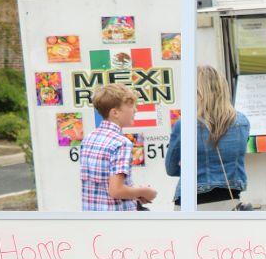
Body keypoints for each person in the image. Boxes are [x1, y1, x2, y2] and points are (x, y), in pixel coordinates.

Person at [166, 65, 252, 210]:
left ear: (197, 92)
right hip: (229, 199)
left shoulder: (185, 124)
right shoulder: (242, 122)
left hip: (191, 202)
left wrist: (195, 168)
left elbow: (171, 168)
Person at [80, 84, 157, 211]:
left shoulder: (89, 138)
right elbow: (116, 190)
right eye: (131, 106)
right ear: (115, 112)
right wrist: (145, 192)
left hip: (92, 216)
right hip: (119, 218)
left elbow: (104, 186)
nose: (135, 110)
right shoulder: (121, 143)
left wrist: (135, 193)